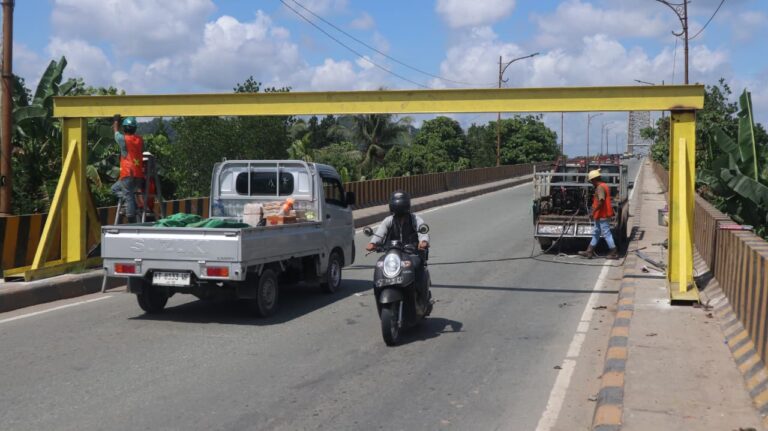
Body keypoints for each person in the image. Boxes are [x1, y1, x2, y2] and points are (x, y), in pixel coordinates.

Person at [366, 191, 432, 307]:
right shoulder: (388, 220)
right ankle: (380, 291)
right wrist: (373, 243)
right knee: (380, 265)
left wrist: (423, 241)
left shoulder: (415, 219)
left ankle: (421, 299)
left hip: (412, 254)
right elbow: (380, 234)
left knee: (416, 266)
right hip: (393, 254)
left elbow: (423, 232)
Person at [110, 115, 144, 223]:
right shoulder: (139, 139)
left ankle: (131, 219)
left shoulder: (123, 139)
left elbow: (115, 131)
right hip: (138, 175)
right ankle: (131, 204)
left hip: (127, 173)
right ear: (135, 128)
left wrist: (116, 120)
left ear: (124, 128)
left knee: (128, 196)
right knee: (114, 189)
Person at [579, 169, 619, 259]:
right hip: (600, 215)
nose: (591, 183)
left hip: (602, 214)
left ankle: (614, 252)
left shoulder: (600, 187)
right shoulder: (604, 185)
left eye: (591, 181)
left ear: (595, 179)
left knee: (606, 233)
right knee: (596, 232)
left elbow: (601, 202)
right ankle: (589, 251)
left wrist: (593, 212)